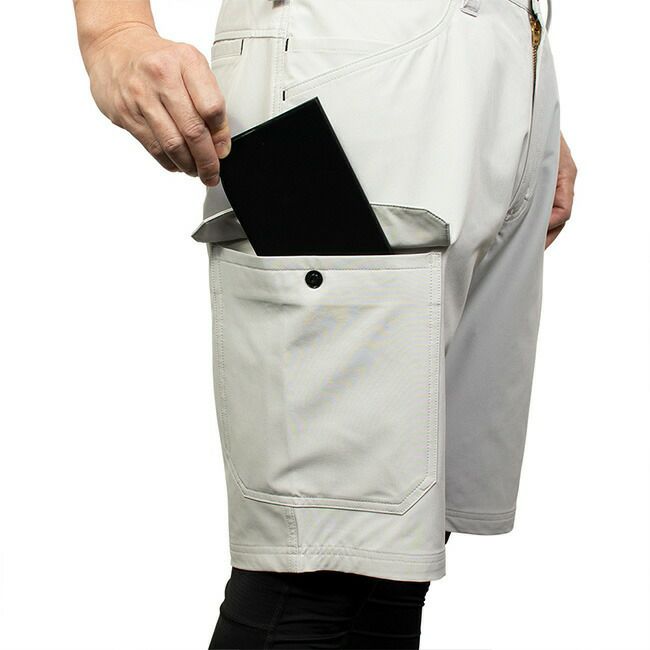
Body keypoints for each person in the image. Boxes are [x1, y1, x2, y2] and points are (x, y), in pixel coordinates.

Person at [73, 0, 577, 647]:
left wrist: (514, 101)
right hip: (347, 60)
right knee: (318, 570)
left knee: (393, 568)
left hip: (504, 56)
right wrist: (113, 31)